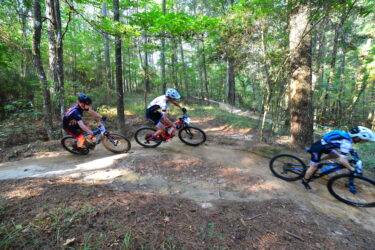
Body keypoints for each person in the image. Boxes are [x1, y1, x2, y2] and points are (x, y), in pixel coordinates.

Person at [302, 126, 375, 190]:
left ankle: (317, 160)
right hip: (317, 148)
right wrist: (352, 169)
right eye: (366, 140)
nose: (366, 141)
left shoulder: (347, 136)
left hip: (324, 146)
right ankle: (305, 180)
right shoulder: (347, 142)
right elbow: (342, 160)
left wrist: (352, 152)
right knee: (313, 167)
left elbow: (342, 144)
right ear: (358, 138)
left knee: (335, 155)